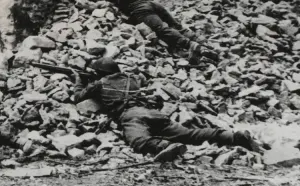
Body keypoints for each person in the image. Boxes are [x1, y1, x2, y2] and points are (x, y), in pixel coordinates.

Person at [71, 58, 265, 162]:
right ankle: (233, 137)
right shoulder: (133, 79)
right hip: (154, 113)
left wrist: (79, 81)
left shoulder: (100, 82)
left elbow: (78, 97)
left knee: (138, 140)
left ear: (100, 73)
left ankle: (165, 148)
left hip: (131, 115)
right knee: (189, 134)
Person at [107, 0, 218, 61]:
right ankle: (200, 40)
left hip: (140, 9)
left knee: (162, 29)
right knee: (176, 25)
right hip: (152, 4)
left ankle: (190, 45)